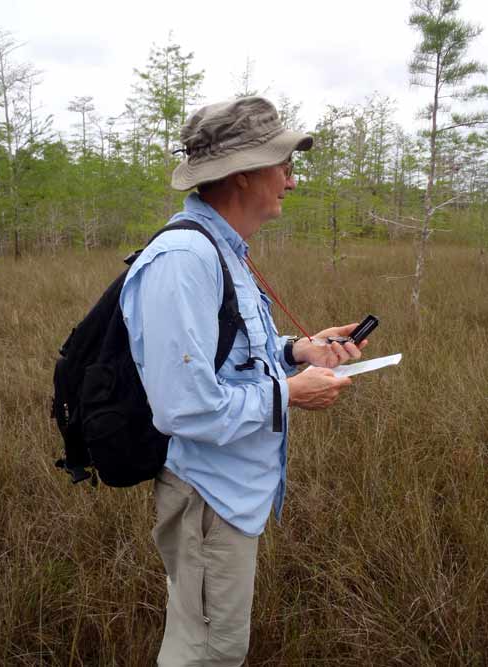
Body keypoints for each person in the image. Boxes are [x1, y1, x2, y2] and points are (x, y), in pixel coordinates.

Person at [120, 96, 367, 667]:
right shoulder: (184, 259)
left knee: (208, 643)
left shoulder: (225, 252)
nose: (291, 179)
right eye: (282, 163)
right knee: (207, 653)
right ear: (242, 173)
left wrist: (296, 351)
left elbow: (227, 354)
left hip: (230, 496)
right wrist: (291, 393)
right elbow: (184, 408)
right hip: (208, 497)